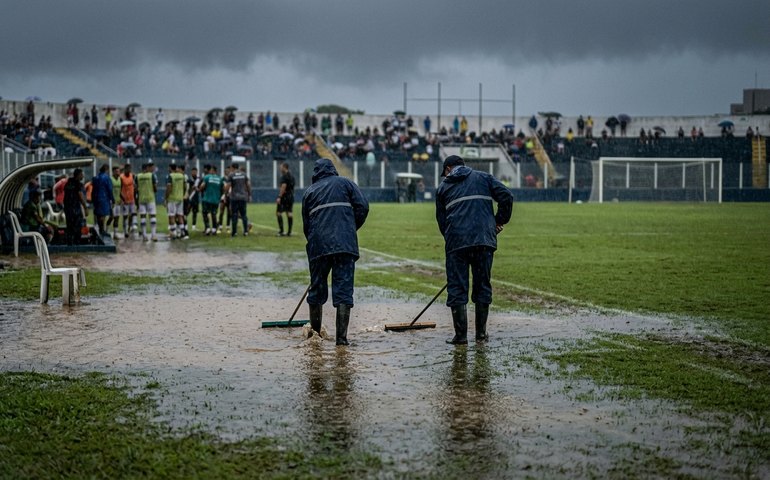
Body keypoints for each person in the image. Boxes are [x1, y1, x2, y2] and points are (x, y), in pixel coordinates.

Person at [435, 155, 513, 345]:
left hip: (457, 244)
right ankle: (481, 334)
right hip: (483, 241)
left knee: (457, 288)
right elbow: (507, 196)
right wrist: (498, 221)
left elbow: (442, 221)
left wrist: (453, 237)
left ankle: (460, 336)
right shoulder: (484, 178)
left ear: (447, 169)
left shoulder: (443, 188)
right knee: (482, 286)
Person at [302, 158, 369, 345]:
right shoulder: (346, 183)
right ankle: (342, 340)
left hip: (318, 247)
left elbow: (306, 226)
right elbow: (363, 206)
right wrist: (349, 228)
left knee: (316, 291)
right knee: (344, 291)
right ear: (333, 170)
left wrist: (318, 240)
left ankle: (315, 336)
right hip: (344, 245)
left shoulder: (310, 192)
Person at [63, 168, 88, 246]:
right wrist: (85, 208)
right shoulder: (78, 184)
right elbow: (80, 196)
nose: (83, 176)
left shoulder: (68, 183)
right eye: (82, 174)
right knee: (77, 227)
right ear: (78, 175)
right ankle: (77, 244)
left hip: (68, 208)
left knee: (69, 227)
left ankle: (70, 244)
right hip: (75, 208)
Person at [226, 162, 251, 236]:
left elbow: (228, 186)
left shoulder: (231, 175)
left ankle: (234, 232)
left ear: (233, 168)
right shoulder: (244, 174)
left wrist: (225, 194)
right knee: (243, 215)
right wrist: (249, 195)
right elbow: (248, 185)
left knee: (234, 214)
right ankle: (246, 231)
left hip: (234, 197)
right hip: (243, 197)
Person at [136, 163, 158, 242]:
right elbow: (155, 188)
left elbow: (136, 189)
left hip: (141, 199)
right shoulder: (152, 176)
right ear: (147, 168)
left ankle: (144, 236)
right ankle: (153, 235)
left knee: (143, 217)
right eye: (151, 168)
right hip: (150, 198)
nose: (152, 169)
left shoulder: (137, 176)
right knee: (152, 216)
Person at [198, 164, 223, 235]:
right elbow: (223, 189)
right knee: (214, 214)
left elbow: (202, 186)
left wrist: (199, 189)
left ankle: (208, 228)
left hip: (207, 199)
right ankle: (214, 229)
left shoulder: (207, 177)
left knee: (205, 213)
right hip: (215, 200)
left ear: (212, 170)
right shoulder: (219, 179)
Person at [91, 164, 114, 236]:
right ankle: (102, 230)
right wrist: (112, 199)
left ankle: (100, 229)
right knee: (103, 215)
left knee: (98, 214)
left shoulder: (95, 178)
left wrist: (93, 198)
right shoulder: (106, 178)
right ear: (106, 169)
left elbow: (93, 189)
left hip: (96, 198)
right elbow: (109, 189)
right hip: (104, 198)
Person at [165, 163, 187, 240]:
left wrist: (166, 198)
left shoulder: (170, 176)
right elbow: (185, 187)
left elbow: (169, 188)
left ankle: (173, 233)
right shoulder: (181, 176)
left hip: (172, 198)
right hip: (180, 198)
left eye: (169, 168)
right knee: (180, 215)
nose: (168, 169)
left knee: (172, 215)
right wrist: (182, 194)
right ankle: (182, 232)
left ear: (171, 168)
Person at [276, 162, 295, 237]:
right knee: (289, 213)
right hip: (291, 196)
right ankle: (289, 232)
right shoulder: (292, 176)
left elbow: (283, 186)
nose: (280, 169)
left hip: (284, 196)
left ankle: (281, 231)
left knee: (278, 213)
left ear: (285, 167)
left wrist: (279, 196)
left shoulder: (284, 176)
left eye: (281, 167)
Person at [120, 164, 137, 237]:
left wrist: (135, 197)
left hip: (132, 199)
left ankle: (129, 227)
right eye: (128, 169)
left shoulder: (132, 176)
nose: (129, 170)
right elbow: (120, 188)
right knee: (125, 216)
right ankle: (125, 230)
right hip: (125, 200)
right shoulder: (121, 177)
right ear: (125, 169)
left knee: (132, 215)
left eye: (130, 169)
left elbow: (135, 186)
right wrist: (122, 199)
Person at [108, 165, 123, 238]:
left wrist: (122, 199)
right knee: (112, 217)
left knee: (117, 217)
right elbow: (109, 191)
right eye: (117, 171)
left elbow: (120, 191)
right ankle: (107, 230)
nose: (118, 173)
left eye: (119, 171)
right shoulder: (110, 179)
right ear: (113, 172)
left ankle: (115, 233)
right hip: (112, 201)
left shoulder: (120, 179)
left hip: (118, 202)